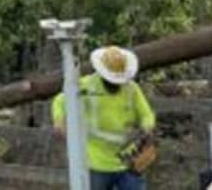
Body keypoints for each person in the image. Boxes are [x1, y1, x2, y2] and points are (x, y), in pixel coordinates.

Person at [52, 46, 156, 190]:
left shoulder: (132, 89)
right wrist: (59, 121)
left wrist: (148, 127)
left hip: (127, 160)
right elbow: (60, 100)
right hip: (96, 162)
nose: (115, 83)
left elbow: (146, 114)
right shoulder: (86, 86)